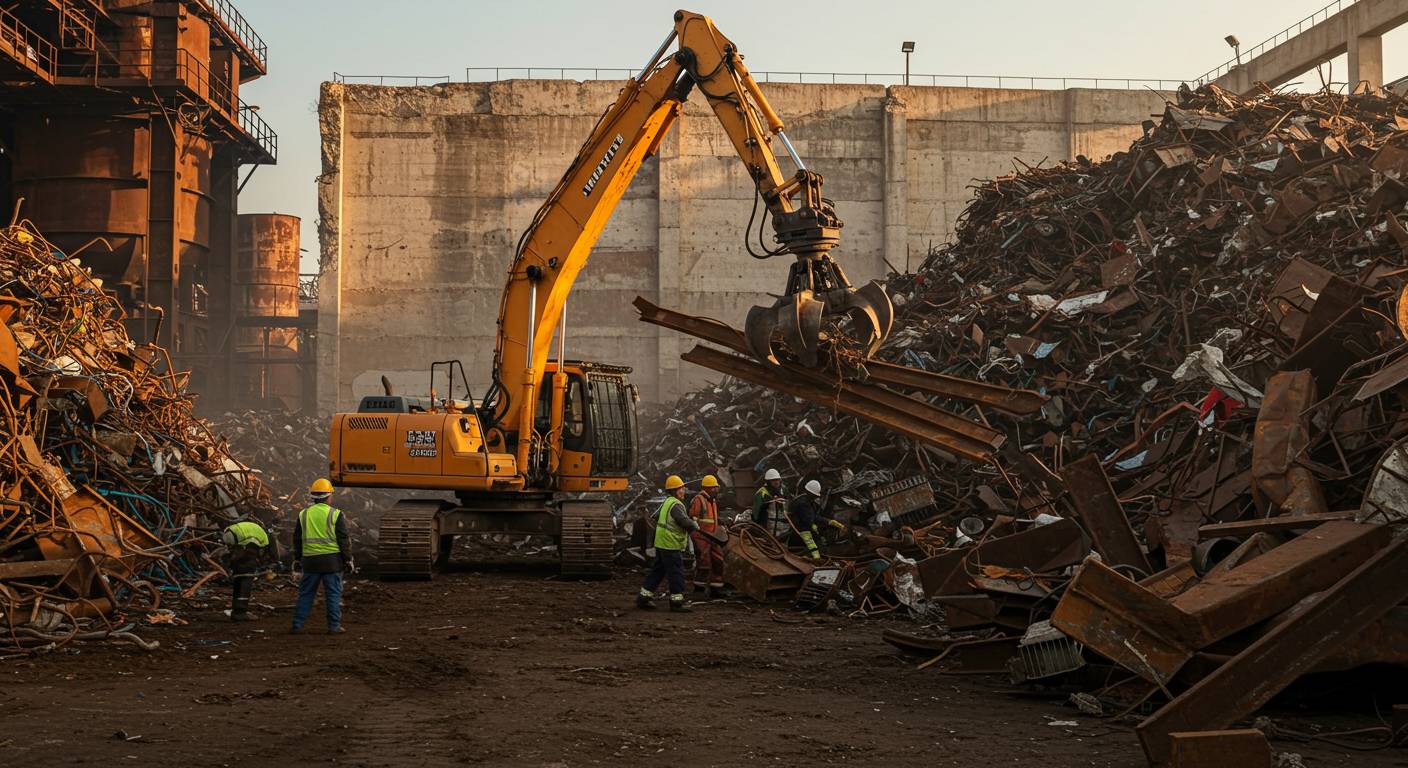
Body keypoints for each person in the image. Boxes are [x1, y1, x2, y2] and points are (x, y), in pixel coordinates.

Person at [291, 478, 353, 634]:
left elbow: (297, 538)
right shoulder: (335, 514)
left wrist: (298, 558)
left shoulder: (303, 514)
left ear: (313, 496)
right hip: (332, 562)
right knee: (333, 594)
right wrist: (348, 559)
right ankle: (334, 626)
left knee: (306, 594)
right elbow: (343, 539)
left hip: (310, 562)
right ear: (329, 496)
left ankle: (297, 625)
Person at [637, 474, 699, 613]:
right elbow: (684, 522)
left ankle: (643, 597)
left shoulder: (667, 502)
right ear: (675, 490)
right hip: (670, 544)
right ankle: (676, 602)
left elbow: (655, 517)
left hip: (661, 542)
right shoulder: (676, 505)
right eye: (681, 488)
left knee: (658, 571)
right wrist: (695, 525)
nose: (684, 491)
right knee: (676, 572)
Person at [222, 519, 272, 621]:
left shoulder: (256, 534)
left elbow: (236, 552)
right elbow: (264, 554)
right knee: (246, 577)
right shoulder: (264, 540)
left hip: (229, 532)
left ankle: (236, 609)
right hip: (241, 538)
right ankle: (240, 612)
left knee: (239, 575)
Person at [787, 480, 844, 560]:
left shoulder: (808, 501)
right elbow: (808, 520)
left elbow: (813, 516)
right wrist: (815, 527)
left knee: (819, 544)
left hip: (803, 529)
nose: (816, 497)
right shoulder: (802, 503)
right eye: (814, 495)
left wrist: (829, 521)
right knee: (816, 551)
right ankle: (815, 562)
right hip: (800, 531)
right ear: (809, 493)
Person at [689, 474, 725, 598]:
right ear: (708, 488)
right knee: (704, 562)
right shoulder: (698, 500)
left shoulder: (712, 500)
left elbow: (712, 518)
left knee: (718, 560)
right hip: (701, 536)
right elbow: (692, 519)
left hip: (712, 536)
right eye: (714, 487)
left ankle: (716, 589)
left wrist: (721, 522)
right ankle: (699, 589)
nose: (716, 490)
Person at [751, 468, 788, 539]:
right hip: (768, 530)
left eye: (777, 480)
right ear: (768, 482)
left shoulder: (784, 489)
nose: (776, 482)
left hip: (783, 531)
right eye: (773, 480)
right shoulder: (761, 493)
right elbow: (756, 513)